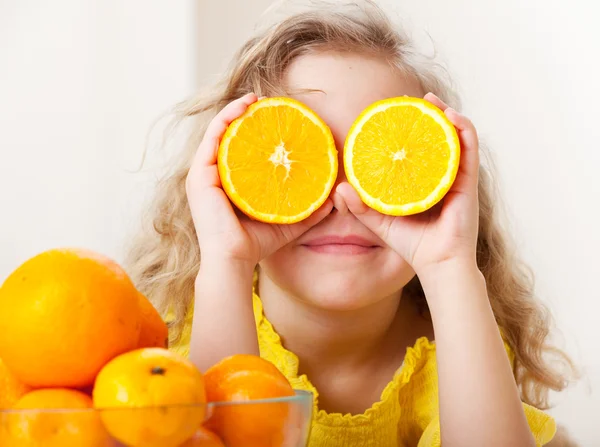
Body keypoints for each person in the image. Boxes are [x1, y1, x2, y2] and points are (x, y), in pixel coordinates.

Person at [126, 2, 576, 445]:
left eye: (374, 162)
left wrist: (448, 264)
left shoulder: (460, 348)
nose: (343, 199)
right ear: (233, 179)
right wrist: (226, 257)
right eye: (303, 163)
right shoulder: (168, 353)